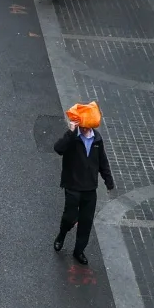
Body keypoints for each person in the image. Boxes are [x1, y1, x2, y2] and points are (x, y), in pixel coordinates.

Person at [53, 101, 116, 264]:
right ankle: (62, 234)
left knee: (86, 223)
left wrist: (109, 182)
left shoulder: (97, 140)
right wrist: (70, 132)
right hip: (73, 186)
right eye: (83, 126)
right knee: (70, 217)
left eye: (88, 127)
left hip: (89, 189)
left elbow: (103, 162)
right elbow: (58, 148)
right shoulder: (73, 138)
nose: (86, 129)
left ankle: (79, 251)